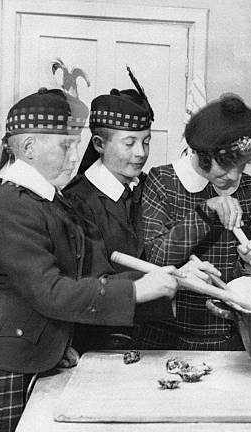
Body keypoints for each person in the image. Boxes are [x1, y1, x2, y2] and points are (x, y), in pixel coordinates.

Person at [0, 88, 206, 432]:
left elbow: (87, 277)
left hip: (38, 356)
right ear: (29, 147)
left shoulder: (47, 201)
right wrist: (137, 292)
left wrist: (170, 278)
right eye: (65, 146)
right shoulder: (12, 208)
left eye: (75, 145)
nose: (74, 157)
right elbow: (52, 292)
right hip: (7, 366)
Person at [137, 94, 251, 350]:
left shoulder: (250, 189)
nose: (234, 177)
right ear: (203, 155)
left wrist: (249, 260)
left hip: (232, 334)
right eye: (225, 165)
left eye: (241, 166)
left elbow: (247, 276)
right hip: (169, 336)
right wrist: (205, 213)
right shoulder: (164, 181)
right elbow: (156, 258)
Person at [64, 70, 155, 352]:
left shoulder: (148, 186)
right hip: (98, 342)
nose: (141, 153)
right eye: (129, 143)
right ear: (99, 145)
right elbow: (91, 282)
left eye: (146, 141)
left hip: (150, 337)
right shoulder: (77, 201)